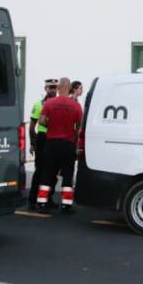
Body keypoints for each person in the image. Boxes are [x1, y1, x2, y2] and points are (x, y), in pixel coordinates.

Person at [35, 77, 83, 213]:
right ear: (69, 88)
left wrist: (52, 125)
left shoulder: (49, 103)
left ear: (59, 87)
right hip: (68, 144)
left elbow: (42, 122)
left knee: (47, 173)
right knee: (67, 174)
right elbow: (79, 128)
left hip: (51, 143)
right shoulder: (76, 106)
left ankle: (42, 203)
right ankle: (66, 205)